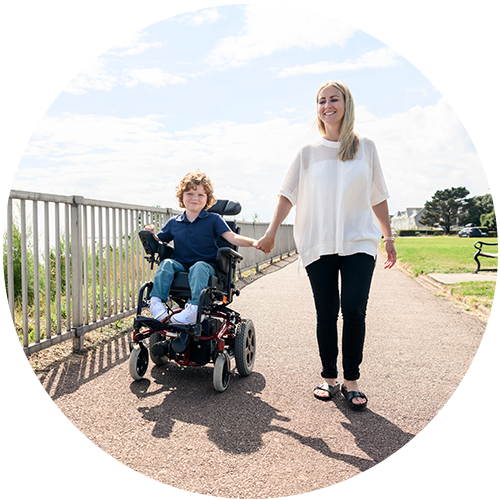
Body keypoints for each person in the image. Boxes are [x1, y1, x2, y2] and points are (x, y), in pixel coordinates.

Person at [257, 81, 397, 411]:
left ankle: (351, 381)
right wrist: (271, 232)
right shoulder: (307, 154)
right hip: (319, 242)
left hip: (359, 241)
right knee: (326, 312)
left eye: (333, 99)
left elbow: (379, 196)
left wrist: (388, 236)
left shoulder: (366, 148)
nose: (327, 105)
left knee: (353, 309)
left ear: (346, 104)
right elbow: (287, 195)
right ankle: (329, 378)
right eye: (321, 101)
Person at [146, 170, 260, 324]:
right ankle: (156, 302)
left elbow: (231, 237)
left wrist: (254, 243)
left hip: (208, 267)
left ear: (207, 199)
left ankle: (194, 309)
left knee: (199, 266)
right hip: (182, 266)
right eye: (190, 194)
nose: (195, 198)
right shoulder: (174, 222)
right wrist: (149, 234)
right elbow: (158, 241)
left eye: (200, 195)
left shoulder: (213, 219)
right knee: (166, 264)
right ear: (182, 197)